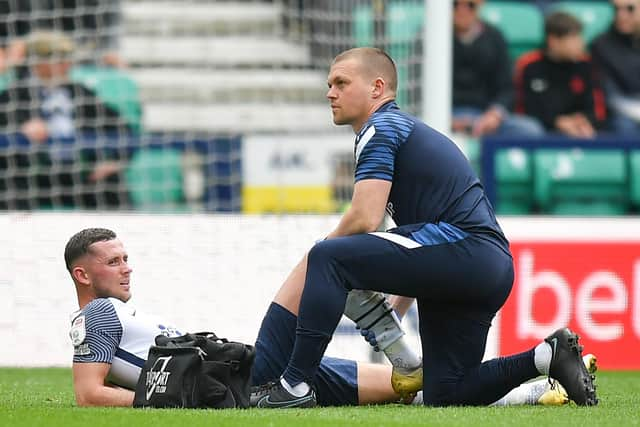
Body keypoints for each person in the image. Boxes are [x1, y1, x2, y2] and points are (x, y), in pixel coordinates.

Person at [251, 47, 597, 408]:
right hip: (482, 266)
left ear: (377, 88)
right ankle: (546, 356)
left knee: (328, 256)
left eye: (341, 82)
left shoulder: (380, 127)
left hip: (465, 252)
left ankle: (294, 387)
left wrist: (317, 256)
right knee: (447, 393)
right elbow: (425, 235)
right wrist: (397, 307)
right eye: (329, 84)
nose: (330, 93)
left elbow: (365, 218)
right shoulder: (401, 128)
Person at [65, 227, 584, 407]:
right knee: (320, 259)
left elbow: (113, 377)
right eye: (113, 261)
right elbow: (88, 394)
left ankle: (539, 373)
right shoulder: (99, 316)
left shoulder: (117, 315)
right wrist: (168, 402)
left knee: (418, 389)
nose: (126, 268)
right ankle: (382, 326)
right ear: (82, 276)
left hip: (241, 370)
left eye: (126, 257)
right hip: (244, 382)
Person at [0, 30, 130, 209]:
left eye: (68, 59)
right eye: (59, 60)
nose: (67, 65)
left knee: (111, 183)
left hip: (78, 171)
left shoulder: (81, 92)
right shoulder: (14, 95)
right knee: (10, 184)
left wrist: (114, 161)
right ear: (37, 62)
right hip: (34, 174)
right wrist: (20, 131)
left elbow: (123, 127)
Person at [452, 0, 544, 137]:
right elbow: (420, 91)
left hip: (486, 114)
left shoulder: (495, 37)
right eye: (454, 4)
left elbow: (506, 87)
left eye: (470, 5)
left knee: (529, 130)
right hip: (445, 114)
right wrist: (446, 119)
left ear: (480, 4)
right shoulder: (429, 36)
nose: (462, 10)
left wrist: (495, 114)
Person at [514, 12, 608, 138]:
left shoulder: (586, 65)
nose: (581, 44)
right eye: (573, 38)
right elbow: (524, 109)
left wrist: (583, 121)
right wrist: (557, 122)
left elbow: (597, 108)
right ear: (553, 41)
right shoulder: (529, 65)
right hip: (542, 132)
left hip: (580, 130)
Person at [591, 0, 640, 135]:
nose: (621, 15)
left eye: (630, 9)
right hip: (622, 114)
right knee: (624, 126)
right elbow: (609, 95)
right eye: (616, 9)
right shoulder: (601, 46)